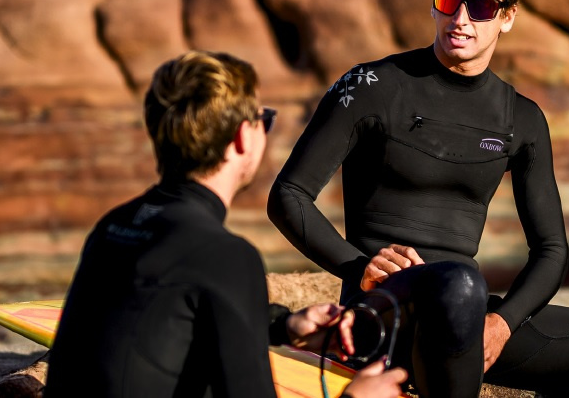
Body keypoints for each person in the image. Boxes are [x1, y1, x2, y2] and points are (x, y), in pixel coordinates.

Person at [268, 0, 569, 398]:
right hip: (385, 314)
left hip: (468, 316)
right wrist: (359, 267)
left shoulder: (521, 118)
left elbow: (551, 250)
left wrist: (502, 323)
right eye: (449, 0)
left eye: (481, 7)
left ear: (507, 17)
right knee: (461, 284)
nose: (461, 19)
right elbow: (288, 194)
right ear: (434, 5)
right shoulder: (372, 86)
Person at [45, 50, 406, 398]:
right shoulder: (224, 256)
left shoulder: (114, 226)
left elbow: (169, 315)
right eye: (263, 120)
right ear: (242, 137)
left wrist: (283, 326)